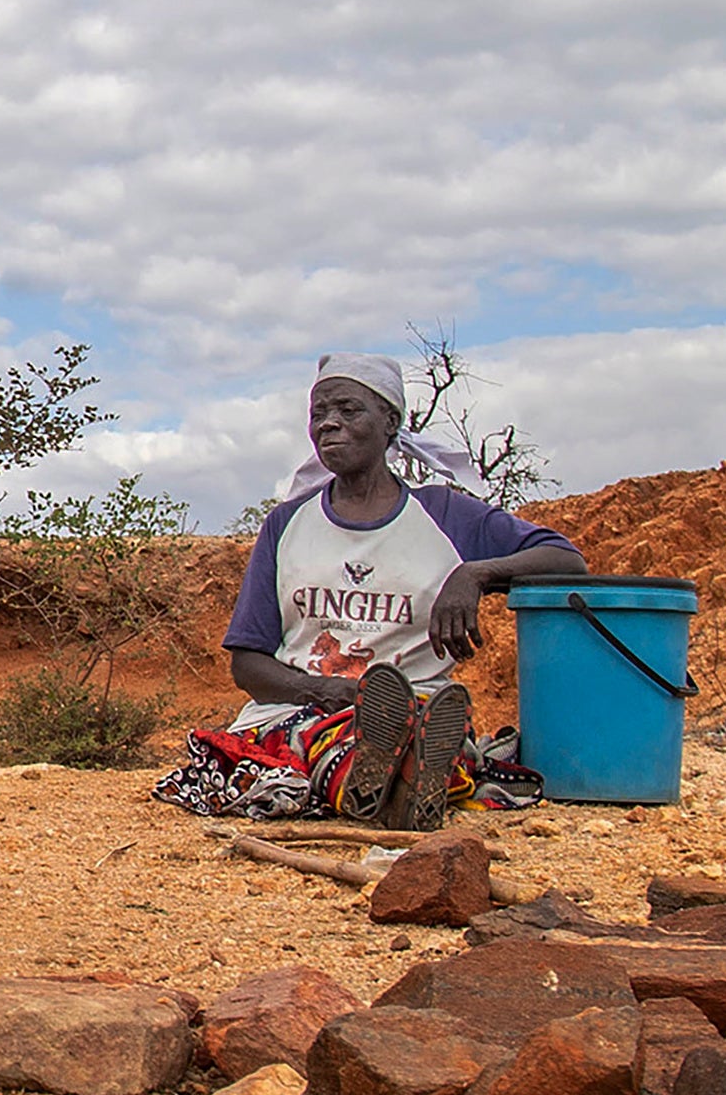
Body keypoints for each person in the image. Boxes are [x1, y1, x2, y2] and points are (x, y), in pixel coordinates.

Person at [185, 353, 585, 828]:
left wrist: (473, 575)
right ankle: (396, 785)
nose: (328, 424)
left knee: (418, 728)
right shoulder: (287, 523)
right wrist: (328, 690)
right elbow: (248, 664)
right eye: (319, 414)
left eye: (348, 410)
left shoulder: (446, 516)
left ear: (391, 422)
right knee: (321, 743)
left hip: (418, 709)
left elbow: (565, 560)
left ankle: (398, 776)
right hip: (306, 711)